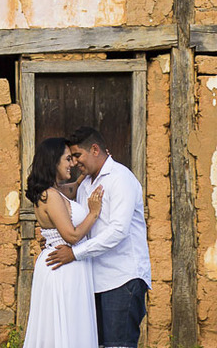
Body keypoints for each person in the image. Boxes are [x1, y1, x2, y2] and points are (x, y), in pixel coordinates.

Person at [47, 126, 152, 348]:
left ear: (95, 149)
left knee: (118, 345)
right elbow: (72, 215)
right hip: (94, 279)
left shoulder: (120, 178)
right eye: (71, 157)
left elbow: (118, 231)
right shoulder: (86, 183)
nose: (75, 162)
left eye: (78, 155)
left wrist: (75, 254)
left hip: (122, 278)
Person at [22, 136, 104, 348]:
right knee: (62, 328)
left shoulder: (57, 191)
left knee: (71, 326)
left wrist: (90, 170)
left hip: (68, 265)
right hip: (61, 266)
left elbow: (73, 188)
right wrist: (93, 214)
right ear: (53, 161)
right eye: (67, 159)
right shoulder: (49, 195)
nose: (73, 163)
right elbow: (72, 236)